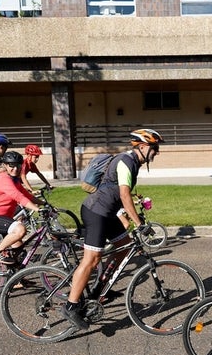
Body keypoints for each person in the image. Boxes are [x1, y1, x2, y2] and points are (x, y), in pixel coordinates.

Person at [62, 129, 164, 329]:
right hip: (96, 212)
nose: (157, 153)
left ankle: (99, 290)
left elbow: (120, 194)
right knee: (91, 260)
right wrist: (139, 224)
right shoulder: (126, 161)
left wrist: (133, 214)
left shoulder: (132, 163)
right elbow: (124, 195)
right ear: (143, 147)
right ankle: (71, 306)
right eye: (155, 148)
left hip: (108, 213)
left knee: (125, 247)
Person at [0, 151, 44, 264]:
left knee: (18, 251)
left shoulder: (15, 180)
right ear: (5, 165)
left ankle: (17, 281)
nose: (15, 168)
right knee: (20, 229)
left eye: (18, 165)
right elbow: (18, 196)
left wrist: (44, 204)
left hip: (4, 217)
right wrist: (37, 209)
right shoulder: (3, 179)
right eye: (11, 165)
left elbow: (27, 195)